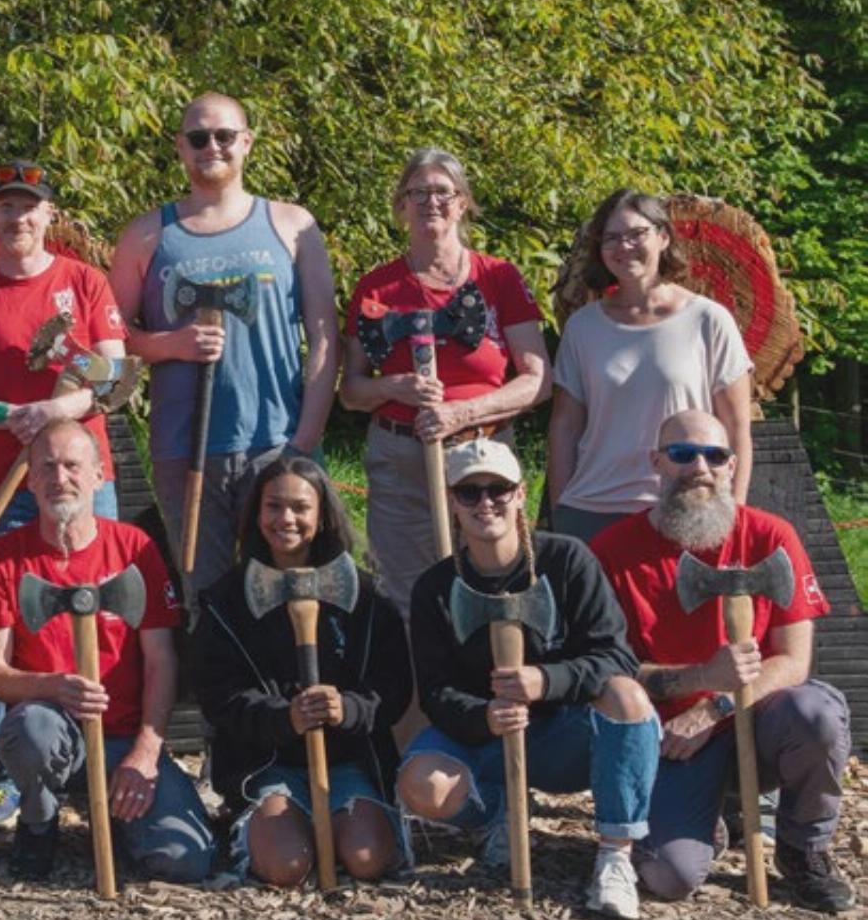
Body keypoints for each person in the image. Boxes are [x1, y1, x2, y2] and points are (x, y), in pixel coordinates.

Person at [0, 159, 127, 829]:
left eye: (29, 206)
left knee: (100, 606)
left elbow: (116, 374)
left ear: (49, 215)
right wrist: (2, 413)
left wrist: (62, 403)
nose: (17, 218)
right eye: (5, 207)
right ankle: (21, 769)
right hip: (0, 479)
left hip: (81, 475)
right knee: (6, 617)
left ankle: (106, 753)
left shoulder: (84, 282)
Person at [592, 409, 853, 911]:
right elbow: (610, 674)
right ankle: (707, 818)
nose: (700, 467)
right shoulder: (613, 552)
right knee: (670, 877)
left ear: (732, 466)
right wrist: (698, 678)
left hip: (755, 721)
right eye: (682, 454)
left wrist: (715, 705)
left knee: (816, 713)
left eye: (715, 455)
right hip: (671, 742)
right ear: (657, 463)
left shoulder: (771, 537)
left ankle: (804, 850)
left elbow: (794, 661)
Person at [398, 440, 659, 920]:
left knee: (628, 697)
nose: (485, 503)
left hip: (565, 736)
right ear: (452, 501)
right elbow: (434, 690)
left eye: (497, 489)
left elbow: (616, 656)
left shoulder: (567, 561)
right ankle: (497, 814)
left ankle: (615, 855)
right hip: (485, 739)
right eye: (469, 492)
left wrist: (547, 680)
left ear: (520, 494)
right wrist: (483, 715)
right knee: (422, 785)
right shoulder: (435, 587)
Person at [109, 92, 338, 596]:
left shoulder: (292, 224)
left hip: (276, 440)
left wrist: (304, 439)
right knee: (207, 596)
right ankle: (219, 678)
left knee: (294, 590)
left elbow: (325, 335)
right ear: (181, 148)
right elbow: (109, 337)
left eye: (224, 135)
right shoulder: (146, 235)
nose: (211, 146)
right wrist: (172, 344)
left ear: (247, 142)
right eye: (198, 137)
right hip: (186, 446)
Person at [0, 421, 214, 883]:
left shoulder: (134, 549)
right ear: (29, 479)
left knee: (184, 861)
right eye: (46, 467)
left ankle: (122, 823)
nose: (59, 478)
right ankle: (39, 822)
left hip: (123, 741)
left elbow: (163, 661)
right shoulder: (3, 557)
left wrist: (145, 754)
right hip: (52, 731)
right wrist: (52, 687)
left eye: (72, 466)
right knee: (32, 728)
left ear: (99, 475)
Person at [339, 149, 549, 615]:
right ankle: (419, 688)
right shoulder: (376, 288)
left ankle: (496, 682)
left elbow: (538, 381)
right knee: (407, 593)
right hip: (402, 460)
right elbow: (351, 392)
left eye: (442, 192)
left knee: (498, 582)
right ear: (401, 205)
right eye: (418, 192)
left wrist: (461, 412)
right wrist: (393, 388)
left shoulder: (499, 277)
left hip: (484, 455)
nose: (430, 201)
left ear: (463, 203)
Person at [193, 456, 409, 886]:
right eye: (273, 506)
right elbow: (217, 695)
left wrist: (347, 708)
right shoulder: (227, 601)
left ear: (323, 514)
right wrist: (282, 717)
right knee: (285, 867)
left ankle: (333, 825)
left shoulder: (364, 597)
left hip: (348, 762)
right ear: (256, 512)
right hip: (266, 764)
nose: (285, 518)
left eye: (300, 507)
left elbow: (393, 687)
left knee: (367, 859)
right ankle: (275, 828)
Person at [547, 189, 753, 542]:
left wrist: (733, 513)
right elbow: (564, 428)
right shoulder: (582, 327)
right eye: (611, 238)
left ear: (663, 237)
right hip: (592, 511)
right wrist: (560, 509)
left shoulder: (708, 320)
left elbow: (737, 430)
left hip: (684, 508)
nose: (624, 246)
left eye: (635, 234)